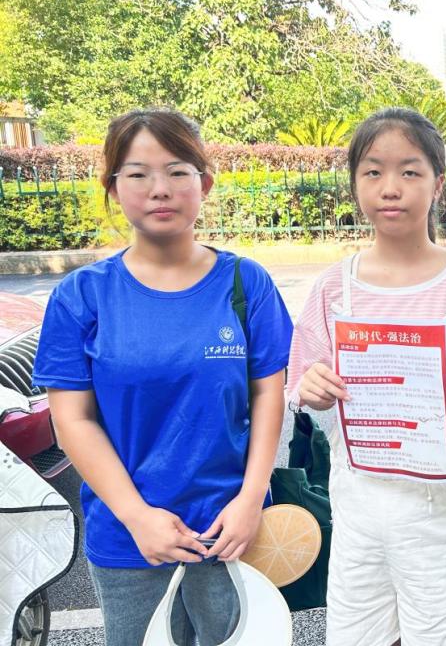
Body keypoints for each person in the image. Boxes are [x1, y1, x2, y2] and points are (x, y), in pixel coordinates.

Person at [32, 109, 293, 646]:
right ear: (112, 187)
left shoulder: (246, 283)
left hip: (231, 531)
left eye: (177, 171)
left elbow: (269, 393)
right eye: (137, 174)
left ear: (205, 183)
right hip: (129, 538)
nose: (160, 189)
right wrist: (137, 517)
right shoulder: (82, 296)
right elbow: (73, 421)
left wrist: (250, 500)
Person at [287, 107, 446, 646]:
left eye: (409, 171)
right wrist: (310, 388)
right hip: (362, 507)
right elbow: (302, 381)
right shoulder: (335, 288)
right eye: (373, 171)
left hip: (443, 510)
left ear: (437, 184)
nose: (390, 187)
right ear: (355, 184)